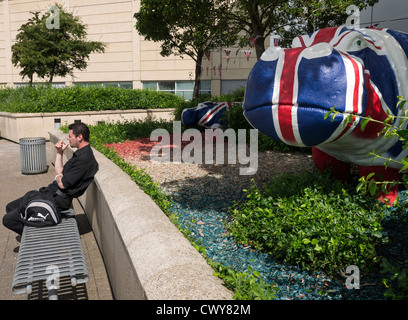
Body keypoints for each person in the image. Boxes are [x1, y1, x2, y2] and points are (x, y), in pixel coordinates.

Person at [2, 122, 99, 235]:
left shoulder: (85, 159)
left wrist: (58, 177)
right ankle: (33, 230)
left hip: (57, 200)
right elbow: (61, 172)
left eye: (70, 136)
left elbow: (62, 183)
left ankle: (35, 238)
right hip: (51, 193)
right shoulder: (81, 154)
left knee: (8, 220)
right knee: (10, 207)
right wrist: (59, 153)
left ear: (80, 137)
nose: (68, 138)